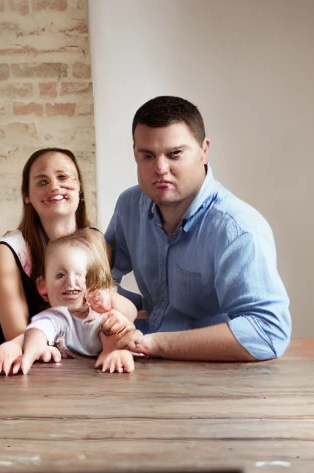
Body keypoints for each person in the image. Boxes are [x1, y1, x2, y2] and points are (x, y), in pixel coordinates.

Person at [104, 95, 292, 362]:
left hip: (222, 379)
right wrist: (127, 309)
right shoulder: (129, 205)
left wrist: (156, 343)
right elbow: (98, 278)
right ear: (135, 152)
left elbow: (268, 333)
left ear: (204, 150)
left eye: (175, 154)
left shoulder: (238, 229)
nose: (160, 168)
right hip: (143, 364)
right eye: (147, 155)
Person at [0, 147, 136, 376]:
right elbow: (20, 334)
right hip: (2, 357)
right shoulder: (7, 252)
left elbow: (105, 308)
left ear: (80, 188)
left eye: (63, 177)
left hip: (72, 363)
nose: (54, 186)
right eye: (42, 182)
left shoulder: (96, 243)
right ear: (27, 195)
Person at [20, 231, 136, 375]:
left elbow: (129, 315)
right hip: (70, 381)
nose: (70, 282)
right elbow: (38, 331)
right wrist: (31, 354)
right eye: (60, 275)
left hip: (106, 380)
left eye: (80, 274)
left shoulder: (100, 311)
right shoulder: (57, 317)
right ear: (43, 286)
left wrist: (111, 301)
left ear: (92, 281)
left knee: (111, 325)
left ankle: (116, 353)